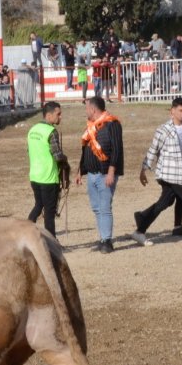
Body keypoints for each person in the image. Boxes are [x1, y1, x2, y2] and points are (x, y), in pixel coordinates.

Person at [130, 97, 182, 246]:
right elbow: (153, 151)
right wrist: (143, 169)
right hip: (167, 173)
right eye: (180, 111)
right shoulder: (163, 130)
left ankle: (143, 224)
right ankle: (141, 229)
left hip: (180, 172)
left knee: (166, 202)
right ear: (171, 111)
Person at [75, 97, 124, 253]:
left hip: (105, 174)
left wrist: (111, 171)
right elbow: (86, 150)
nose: (85, 111)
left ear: (93, 110)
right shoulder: (91, 127)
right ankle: (103, 237)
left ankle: (107, 241)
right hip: (92, 173)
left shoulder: (112, 124)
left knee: (104, 207)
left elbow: (116, 149)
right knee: (97, 208)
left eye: (87, 108)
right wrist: (80, 171)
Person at [27, 101, 70, 237]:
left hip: (34, 176)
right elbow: (57, 156)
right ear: (49, 115)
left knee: (38, 206)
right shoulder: (51, 131)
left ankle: (26, 232)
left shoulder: (32, 130)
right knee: (49, 213)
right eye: (58, 114)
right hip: (49, 178)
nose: (60, 117)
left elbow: (29, 151)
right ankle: (52, 242)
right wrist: (65, 160)